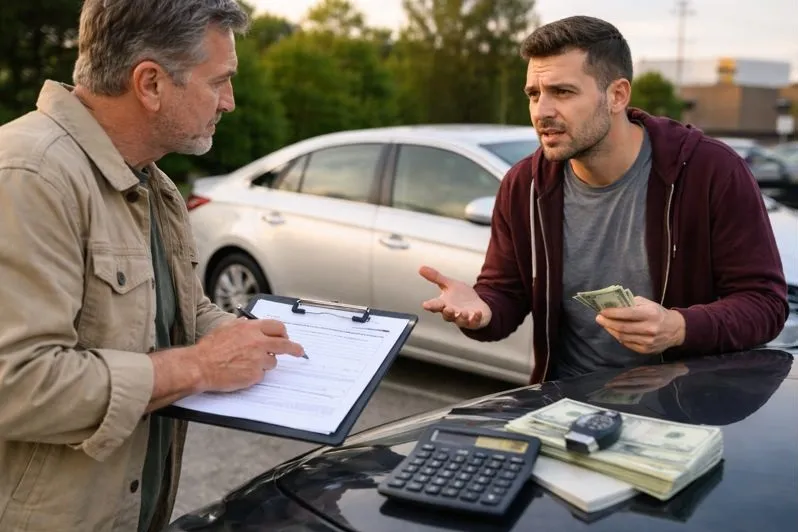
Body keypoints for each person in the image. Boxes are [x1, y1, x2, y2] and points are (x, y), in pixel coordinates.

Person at [0, 1, 305, 531]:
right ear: (150, 84)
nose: (229, 102)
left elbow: (177, 308)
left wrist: (257, 341)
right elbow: (17, 383)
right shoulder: (31, 175)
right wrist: (201, 367)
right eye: (219, 82)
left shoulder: (150, 182)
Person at [419, 15, 788, 384]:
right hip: (567, 401)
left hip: (685, 407)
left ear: (617, 95)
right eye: (533, 94)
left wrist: (680, 327)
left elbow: (765, 304)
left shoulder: (710, 171)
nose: (541, 111)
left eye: (562, 92)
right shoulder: (524, 184)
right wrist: (481, 309)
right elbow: (505, 295)